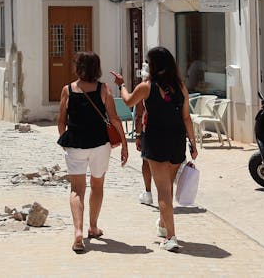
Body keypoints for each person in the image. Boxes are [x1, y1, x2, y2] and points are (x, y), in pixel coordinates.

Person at [111, 47, 198, 252]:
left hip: (156, 140)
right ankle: (162, 224)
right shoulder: (180, 87)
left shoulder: (147, 86)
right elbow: (186, 117)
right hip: (176, 141)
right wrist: (193, 144)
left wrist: (121, 84)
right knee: (168, 187)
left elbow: (128, 100)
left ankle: (171, 237)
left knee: (163, 192)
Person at [57, 51, 129, 253]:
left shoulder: (67, 90)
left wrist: (65, 142)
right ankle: (93, 227)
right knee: (97, 185)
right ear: (97, 68)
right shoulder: (104, 89)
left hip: (75, 145)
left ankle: (78, 232)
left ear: (77, 67)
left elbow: (61, 121)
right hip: (100, 145)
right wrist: (124, 144)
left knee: (76, 189)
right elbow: (114, 118)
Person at [133, 62, 153, 206]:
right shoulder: (169, 87)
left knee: (146, 161)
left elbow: (139, 114)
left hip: (149, 129)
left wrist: (138, 135)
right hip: (168, 130)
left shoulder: (144, 88)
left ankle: (148, 192)